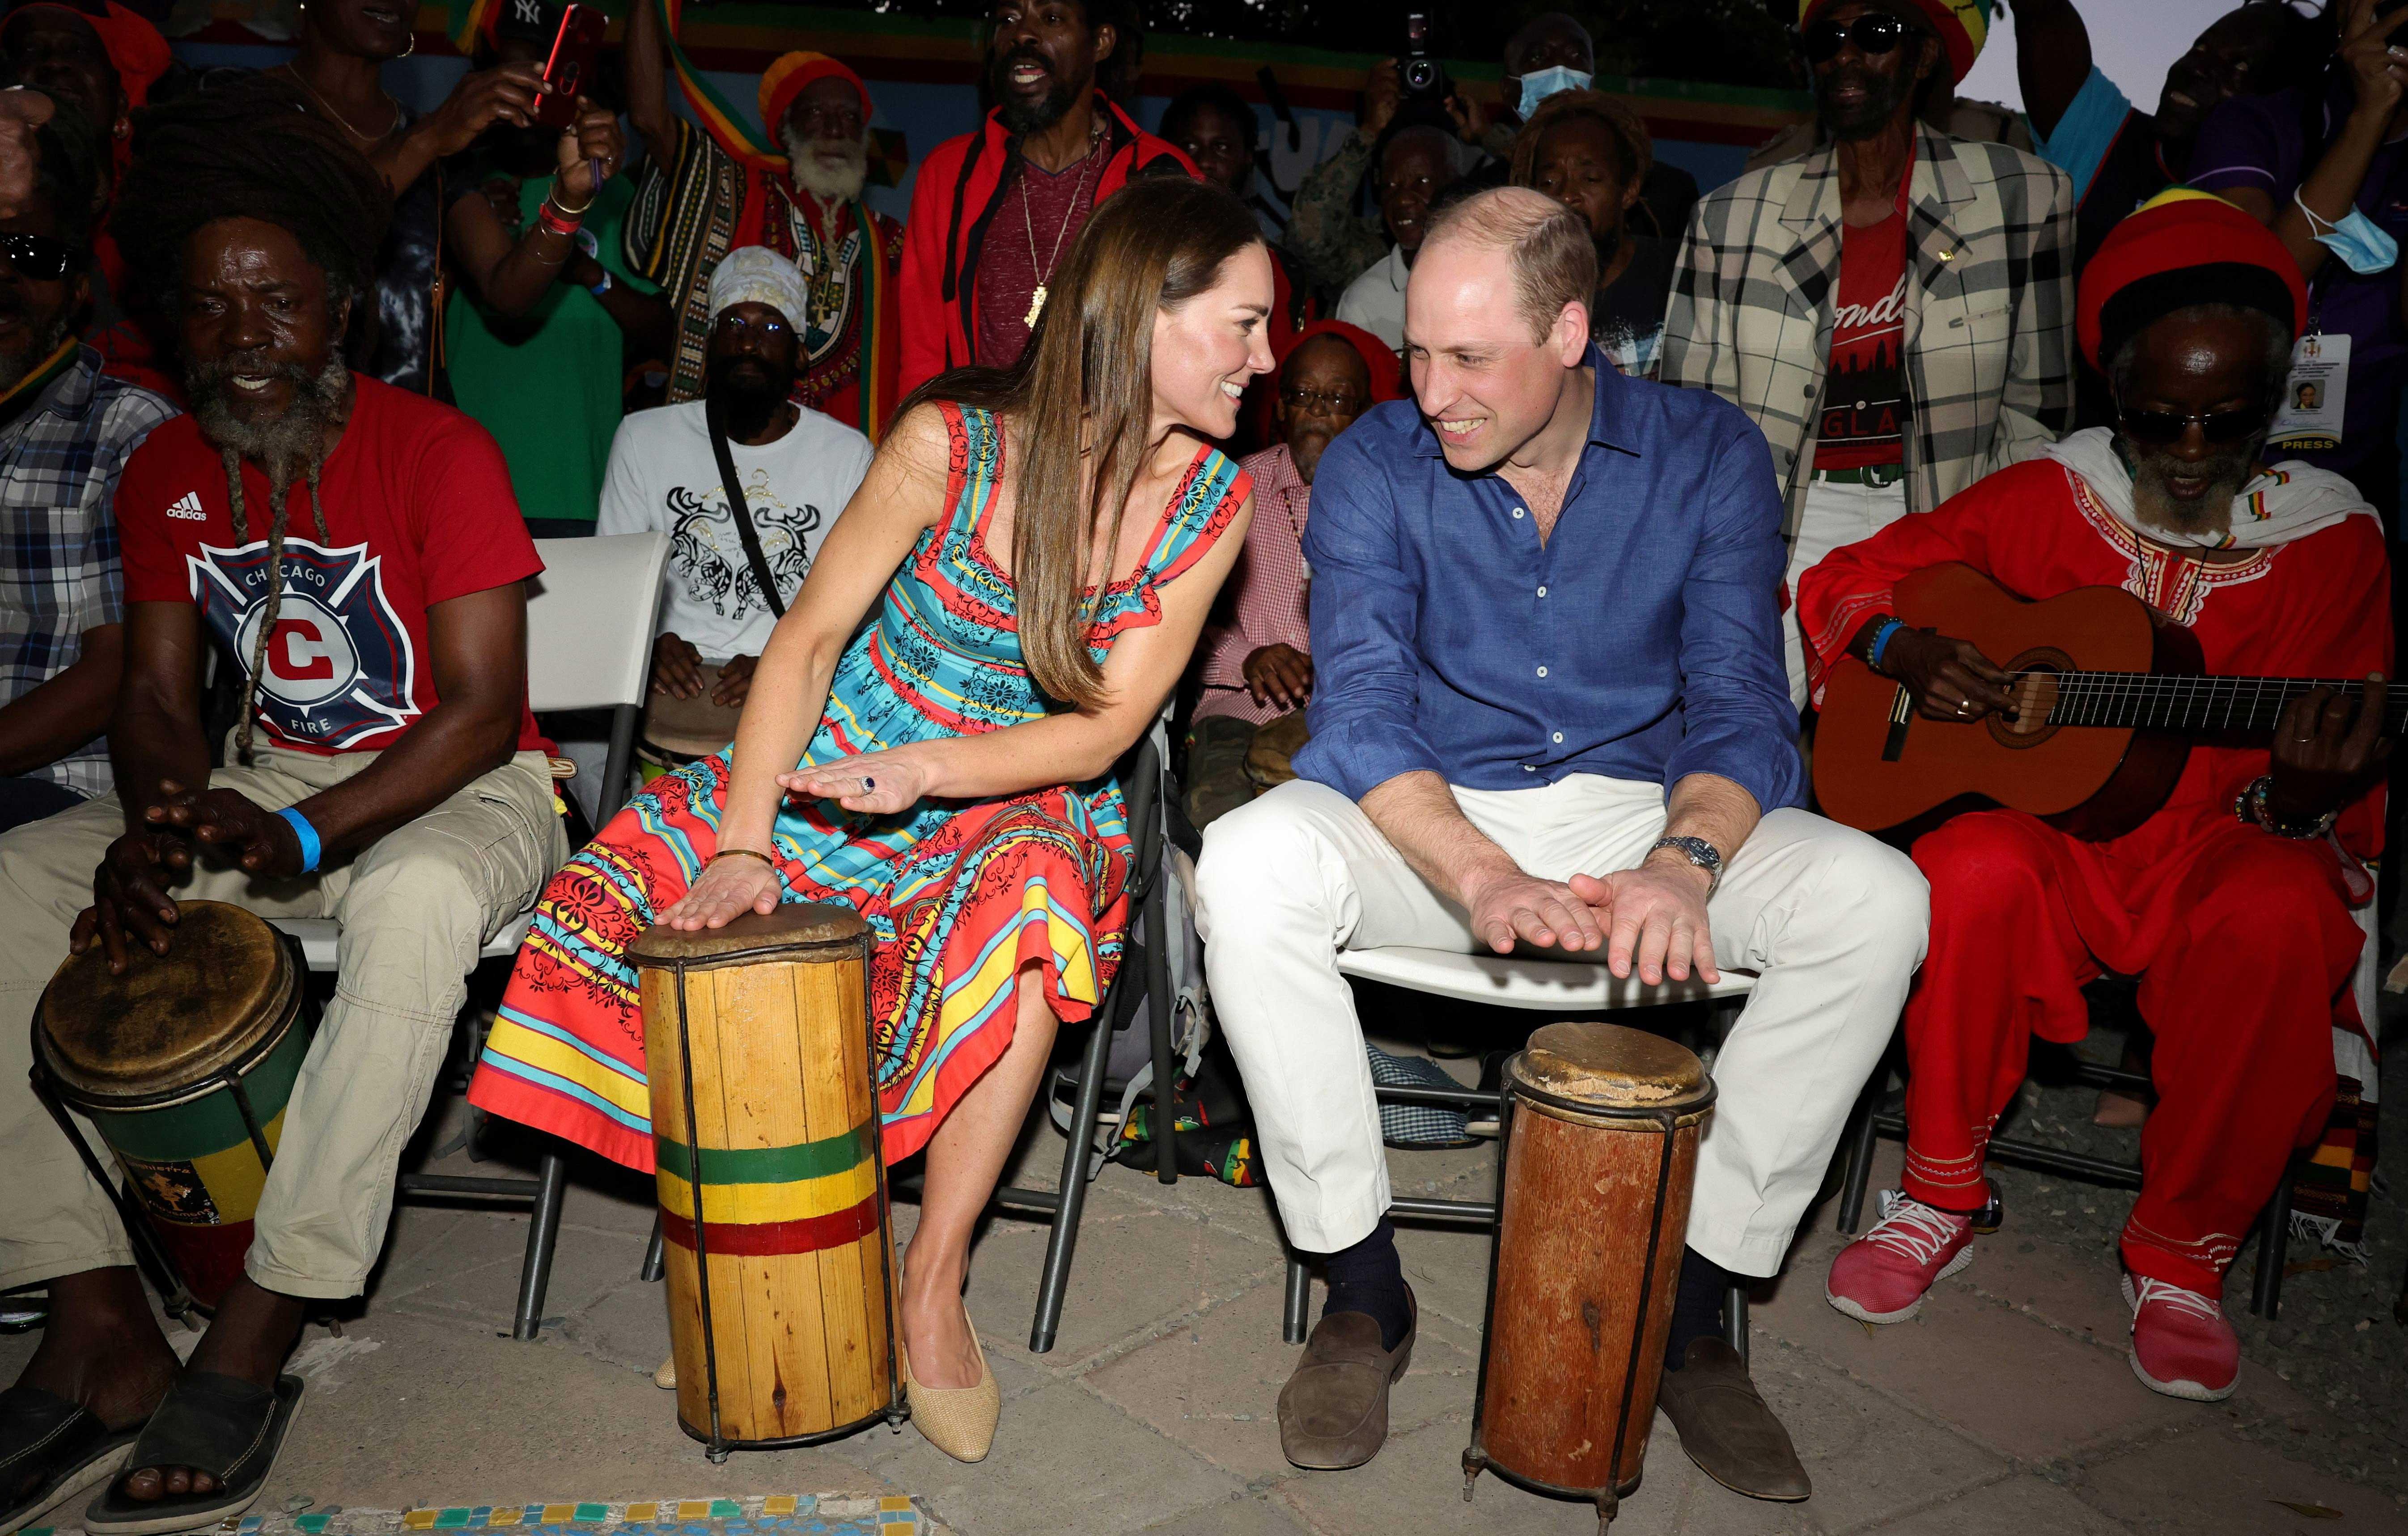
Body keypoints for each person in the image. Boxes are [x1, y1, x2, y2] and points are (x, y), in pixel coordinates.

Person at [466, 176, 1268, 1464]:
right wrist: (741, 838)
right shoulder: (948, 442)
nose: (1265, 356)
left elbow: (1104, 734)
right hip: (842, 753)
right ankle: (773, 1251)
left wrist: (933, 775)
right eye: (1242, 323)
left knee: (1033, 907)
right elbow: (808, 639)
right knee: (637, 879)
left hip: (1024, 787)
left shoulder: (1210, 504)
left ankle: (928, 1283)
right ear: (1142, 320)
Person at [1194, 187, 1925, 1497]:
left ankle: (1694, 1308)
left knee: (1875, 897)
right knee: (1250, 860)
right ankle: (1362, 1287)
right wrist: (1479, 872)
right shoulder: (1373, 463)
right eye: (1416, 352)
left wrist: (1681, 861)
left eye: (1470, 358)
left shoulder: (1706, 456)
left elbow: (1746, 706)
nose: (1431, 391)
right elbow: (1357, 717)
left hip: (1649, 811)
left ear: (1574, 331)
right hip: (1432, 818)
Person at [0, 93, 563, 1533]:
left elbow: (484, 710)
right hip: (267, 783)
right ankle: (93, 1310)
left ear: (340, 313)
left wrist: (312, 836)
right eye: (214, 308)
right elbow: (158, 698)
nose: (248, 335)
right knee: (12, 886)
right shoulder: (168, 469)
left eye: (279, 303)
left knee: (415, 900)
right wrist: (158, 825)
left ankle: (263, 1313)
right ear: (179, 327)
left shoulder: (439, 451)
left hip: (464, 785)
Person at [1808, 190, 2387, 1403]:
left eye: (2221, 420)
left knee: (2280, 913)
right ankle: (1941, 1190)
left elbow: (2340, 804)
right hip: (2058, 845)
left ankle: (2182, 1255)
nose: (2185, 448)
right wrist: (1898, 650)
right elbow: (1858, 580)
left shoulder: (2334, 544)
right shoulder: (2047, 498)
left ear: (2273, 404)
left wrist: (2298, 798)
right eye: (2156, 417)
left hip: (2225, 846)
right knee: (1970, 864)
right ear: (2114, 398)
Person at [1661, 0, 2073, 708]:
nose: (1846, 55)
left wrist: (1994, 574)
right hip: (1785, 517)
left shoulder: (2023, 197)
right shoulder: (1734, 216)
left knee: (1907, 771)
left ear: (1924, 55)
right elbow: (1691, 425)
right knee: (1731, 738)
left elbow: (2035, 416)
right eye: (1828, 40)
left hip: (1944, 520)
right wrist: (1728, 561)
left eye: (1876, 34)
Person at [598, 247, 874, 764]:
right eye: (734, 324)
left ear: (799, 355)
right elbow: (611, 577)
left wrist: (785, 662)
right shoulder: (643, 438)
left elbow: (860, 605)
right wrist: (648, 641)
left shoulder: (847, 455)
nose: (748, 340)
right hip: (670, 674)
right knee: (581, 739)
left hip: (790, 674)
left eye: (771, 329)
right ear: (709, 346)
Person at [2009, 0, 2328, 428]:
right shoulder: (2109, 137)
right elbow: (2041, 14)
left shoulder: (2298, 204)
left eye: (2239, 68)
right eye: (2199, 50)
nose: (2200, 69)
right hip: (2072, 448)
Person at [268, 0, 612, 394]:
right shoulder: (238, 105)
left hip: (404, 435)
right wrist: (431, 136)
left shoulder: (433, 136)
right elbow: (302, 236)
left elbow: (508, 289)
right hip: (280, 421)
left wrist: (569, 196)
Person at [0, 93, 174, 832]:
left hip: (61, 791)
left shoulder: (125, 427)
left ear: (77, 290)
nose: (5, 276)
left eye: (34, 256)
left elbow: (125, 674)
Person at [621, 1, 904, 440]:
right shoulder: (737, 190)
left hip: (846, 471)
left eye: (849, 117)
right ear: (785, 128)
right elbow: (649, 121)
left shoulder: (891, 243)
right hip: (735, 444)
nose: (834, 129)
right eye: (816, 113)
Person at [445, 0, 665, 537]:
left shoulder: (615, 196)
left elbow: (665, 333)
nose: (530, 96)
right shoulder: (451, 190)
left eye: (544, 77)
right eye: (512, 75)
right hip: (463, 490)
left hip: (582, 486)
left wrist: (591, 276)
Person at [895, 0, 1193, 391]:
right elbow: (922, 346)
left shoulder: (1162, 177)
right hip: (982, 442)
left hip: (1108, 445)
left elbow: (1189, 338)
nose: (1022, 34)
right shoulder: (949, 173)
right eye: (1008, 20)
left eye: (1051, 19)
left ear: (1101, 43)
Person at [2188, 0, 2408, 518]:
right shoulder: (2255, 122)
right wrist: (2369, 113)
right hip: (2219, 467)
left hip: (2353, 484)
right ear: (2346, 13)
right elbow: (2256, 285)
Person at [1186, 319, 1395, 828]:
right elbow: (1170, 625)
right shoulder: (1225, 490)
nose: (1319, 409)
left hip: (1349, 718)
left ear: (1365, 414)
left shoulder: (1393, 501)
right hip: (1237, 713)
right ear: (1280, 409)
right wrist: (1246, 657)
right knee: (1225, 827)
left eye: (1339, 399)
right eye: (1302, 393)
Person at [0, 0, 172, 395]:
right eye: (30, 51)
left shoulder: (169, 212)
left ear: (122, 105)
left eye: (77, 51)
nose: (55, 65)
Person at [1513, 89, 1675, 378]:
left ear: (1628, 190)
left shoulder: (1676, 277)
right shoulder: (1516, 286)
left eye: (1590, 179)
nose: (1566, 196)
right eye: (1549, 181)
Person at [1331, 123, 1462, 353]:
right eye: (1390, 186)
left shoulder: (1490, 283)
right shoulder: (1363, 302)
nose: (1402, 200)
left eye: (1421, 182)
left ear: (1454, 185)